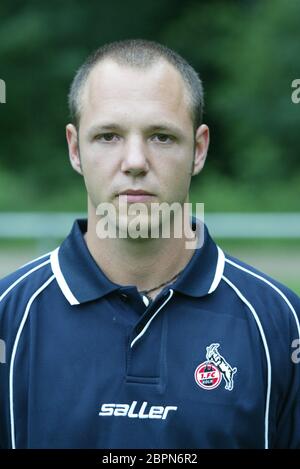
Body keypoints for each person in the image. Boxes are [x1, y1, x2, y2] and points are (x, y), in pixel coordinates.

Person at [0, 39, 299, 450]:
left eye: (161, 137)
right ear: (74, 148)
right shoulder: (8, 318)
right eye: (108, 136)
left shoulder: (282, 325)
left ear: (199, 149)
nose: (136, 160)